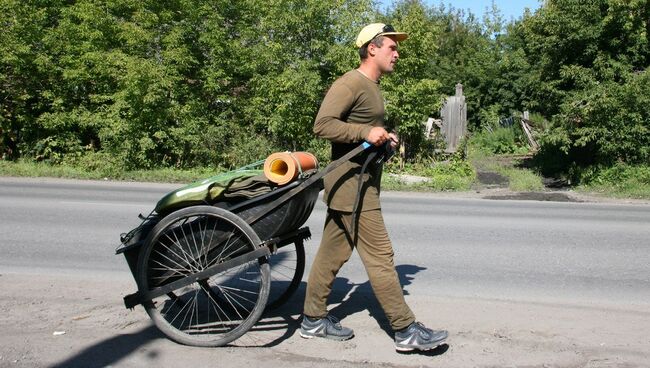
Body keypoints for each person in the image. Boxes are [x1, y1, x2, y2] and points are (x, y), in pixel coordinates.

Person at [300, 23, 448, 352]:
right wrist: (365, 133)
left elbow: (364, 128)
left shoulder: (372, 85)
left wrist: (382, 137)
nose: (397, 53)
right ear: (372, 48)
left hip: (356, 185)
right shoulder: (350, 82)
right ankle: (405, 329)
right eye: (391, 48)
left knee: (332, 254)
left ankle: (312, 319)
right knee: (381, 257)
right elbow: (323, 125)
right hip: (353, 188)